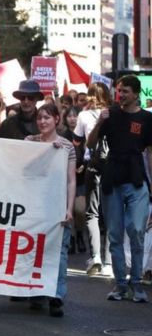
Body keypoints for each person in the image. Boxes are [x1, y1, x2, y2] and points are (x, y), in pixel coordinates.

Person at [87, 75, 152, 303]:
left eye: (125, 91)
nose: (120, 95)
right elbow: (90, 143)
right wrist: (99, 122)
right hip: (112, 179)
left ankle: (137, 283)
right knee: (115, 235)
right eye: (119, 91)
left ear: (136, 93)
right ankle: (120, 285)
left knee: (136, 230)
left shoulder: (146, 119)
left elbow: (151, 155)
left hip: (136, 181)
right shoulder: (110, 114)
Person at [25, 103, 76, 317]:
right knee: (34, 251)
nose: (42, 122)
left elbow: (71, 180)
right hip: (34, 206)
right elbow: (22, 168)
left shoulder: (66, 146)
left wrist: (69, 209)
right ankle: (36, 293)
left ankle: (56, 295)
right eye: (39, 118)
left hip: (56, 206)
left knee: (59, 253)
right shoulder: (29, 142)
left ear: (56, 119)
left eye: (47, 117)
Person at [73, 82, 113, 276]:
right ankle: (110, 262)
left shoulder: (83, 115)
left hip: (94, 166)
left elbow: (77, 141)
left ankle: (96, 256)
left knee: (93, 213)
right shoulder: (115, 113)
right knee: (112, 214)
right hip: (113, 168)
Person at [61, 106, 87, 254]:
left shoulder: (85, 134)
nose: (72, 119)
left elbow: (91, 153)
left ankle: (79, 235)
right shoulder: (63, 136)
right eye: (69, 116)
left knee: (80, 210)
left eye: (75, 116)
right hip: (66, 179)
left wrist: (84, 165)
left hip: (82, 180)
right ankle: (70, 238)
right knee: (67, 210)